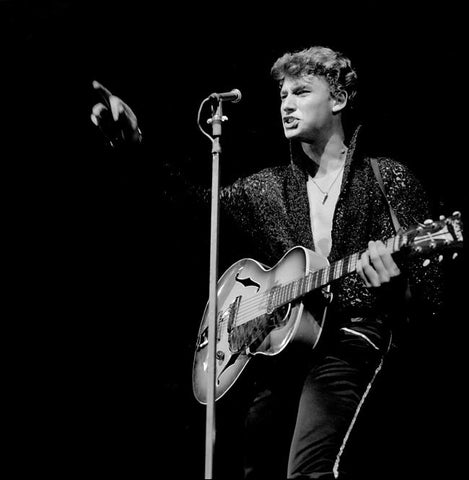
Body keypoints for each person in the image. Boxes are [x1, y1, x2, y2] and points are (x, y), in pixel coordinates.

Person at [90, 46, 447, 479]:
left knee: (309, 468)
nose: (287, 104)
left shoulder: (387, 178)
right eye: (282, 96)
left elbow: (432, 300)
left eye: (301, 92)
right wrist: (136, 147)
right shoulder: (272, 189)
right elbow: (191, 207)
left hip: (354, 338)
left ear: (338, 100)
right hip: (289, 355)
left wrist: (394, 290)